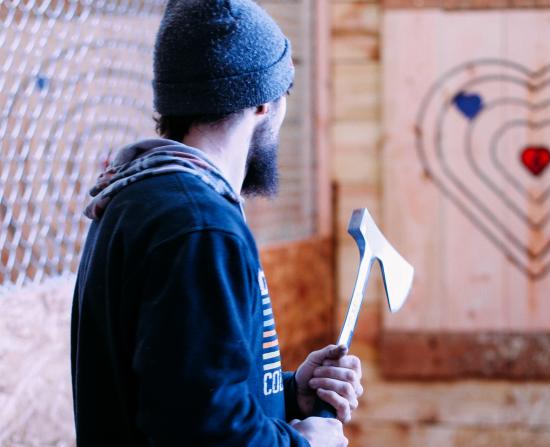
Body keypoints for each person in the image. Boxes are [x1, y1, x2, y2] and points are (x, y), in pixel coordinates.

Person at [70, 1, 361, 445]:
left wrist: (287, 393)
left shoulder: (139, 196)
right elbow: (204, 434)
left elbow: (179, 394)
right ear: (264, 103)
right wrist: (306, 443)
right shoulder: (200, 226)